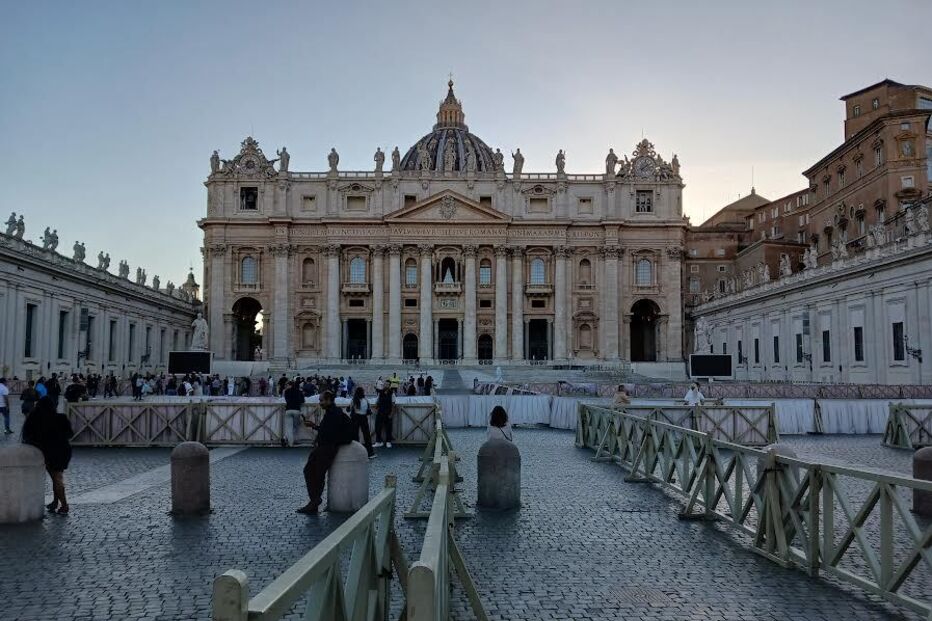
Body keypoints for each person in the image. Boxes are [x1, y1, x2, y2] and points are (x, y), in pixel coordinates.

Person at [298, 391, 355, 514]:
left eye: (322, 400)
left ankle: (314, 501)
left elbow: (330, 433)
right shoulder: (332, 413)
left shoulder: (334, 414)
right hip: (324, 448)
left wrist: (320, 435)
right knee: (314, 473)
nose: (320, 403)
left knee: (316, 474)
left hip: (326, 449)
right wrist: (314, 426)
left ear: (329, 400)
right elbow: (327, 430)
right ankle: (314, 501)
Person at [22, 396, 73, 514]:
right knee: (56, 477)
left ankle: (64, 505)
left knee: (56, 478)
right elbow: (69, 434)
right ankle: (56, 502)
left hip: (46, 452)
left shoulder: (34, 419)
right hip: (63, 450)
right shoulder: (62, 418)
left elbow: (28, 437)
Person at [282, 380, 305, 447]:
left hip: (288, 410)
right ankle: (289, 441)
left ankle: (287, 440)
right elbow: (302, 400)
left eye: (287, 385)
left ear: (290, 385)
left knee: (289, 427)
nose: (286, 386)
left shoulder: (286, 392)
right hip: (297, 410)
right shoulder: (299, 391)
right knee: (295, 427)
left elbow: (286, 400)